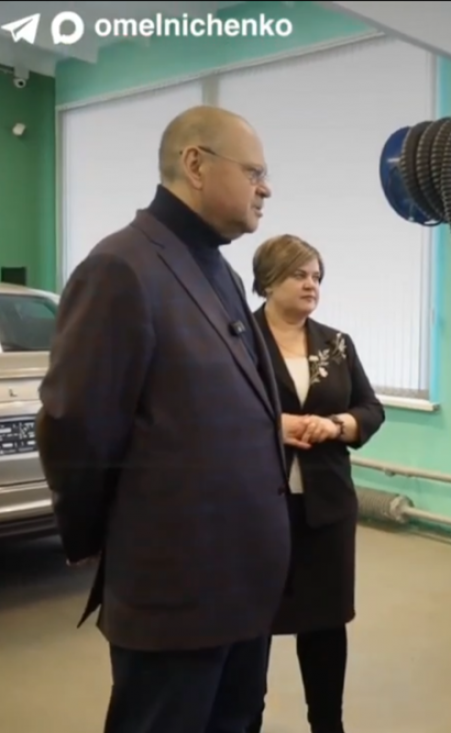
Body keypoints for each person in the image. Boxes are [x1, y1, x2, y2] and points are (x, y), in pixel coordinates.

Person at [37, 105, 303, 733]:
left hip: (241, 587)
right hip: (174, 591)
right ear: (196, 165)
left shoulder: (221, 271)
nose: (266, 188)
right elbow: (77, 425)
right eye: (254, 172)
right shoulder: (122, 267)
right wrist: (92, 535)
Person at [247, 234, 386, 733]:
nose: (311, 285)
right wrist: (275, 426)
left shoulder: (336, 343)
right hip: (256, 510)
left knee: (325, 625)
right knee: (252, 628)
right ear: (268, 281)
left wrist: (339, 425)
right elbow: (216, 412)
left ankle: (328, 724)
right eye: (298, 275)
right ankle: (245, 721)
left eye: (316, 277)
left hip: (326, 509)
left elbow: (371, 408)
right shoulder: (238, 339)